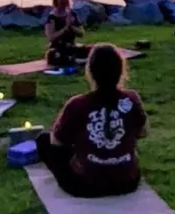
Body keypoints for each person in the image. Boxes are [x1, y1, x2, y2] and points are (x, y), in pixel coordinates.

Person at [36, 44, 148, 198]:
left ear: (90, 72)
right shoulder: (131, 99)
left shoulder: (77, 104)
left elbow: (57, 142)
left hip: (85, 185)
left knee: (43, 140)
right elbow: (143, 132)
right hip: (127, 182)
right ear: (121, 70)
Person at [45, 0, 88, 66]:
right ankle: (74, 60)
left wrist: (71, 26)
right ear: (56, 1)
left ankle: (77, 59)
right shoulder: (51, 17)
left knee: (87, 49)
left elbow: (82, 33)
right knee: (54, 55)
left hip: (71, 46)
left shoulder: (72, 14)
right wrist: (65, 28)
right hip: (57, 48)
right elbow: (51, 37)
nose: (63, 1)